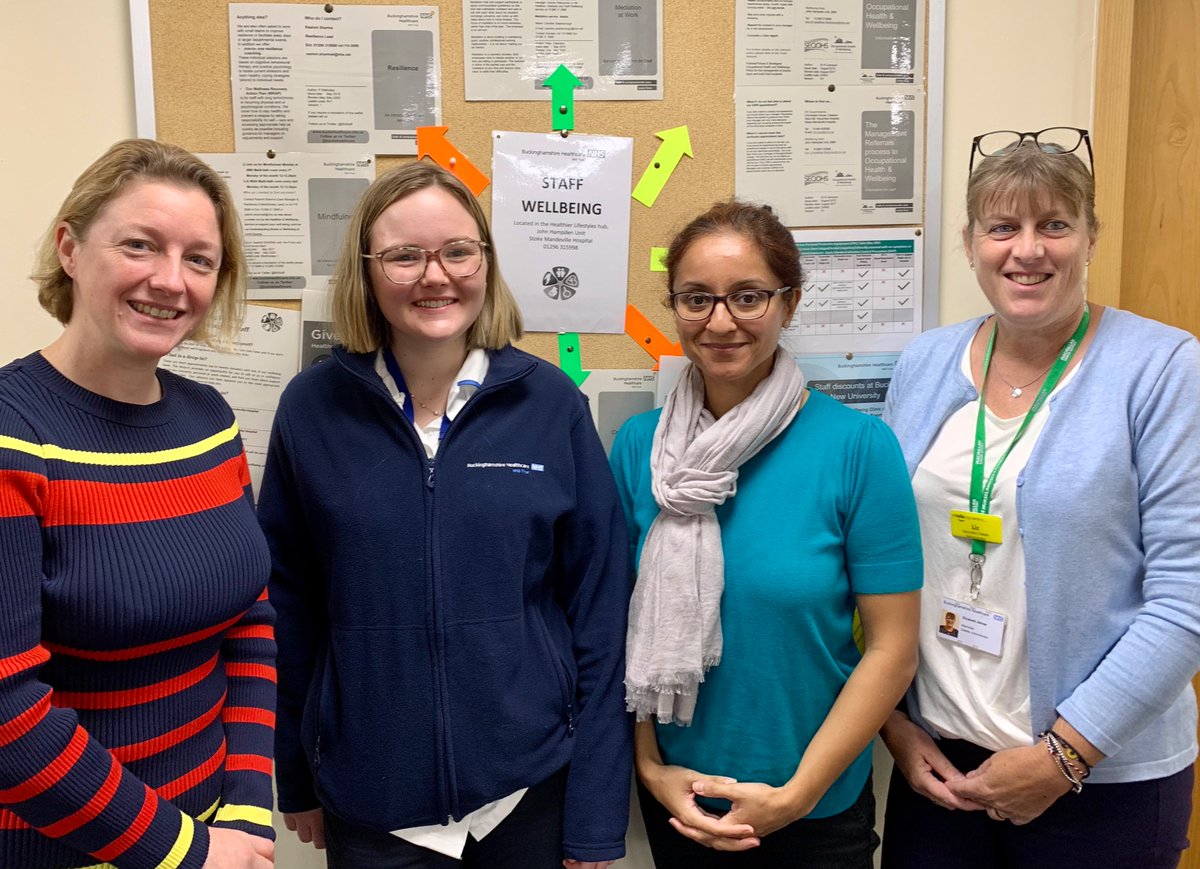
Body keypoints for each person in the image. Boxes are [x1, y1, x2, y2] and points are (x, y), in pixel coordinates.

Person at [257, 162, 632, 869]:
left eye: (458, 251)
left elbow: (601, 614)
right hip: (371, 810)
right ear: (367, 272)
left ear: (484, 262)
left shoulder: (551, 406)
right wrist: (295, 771)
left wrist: (595, 812)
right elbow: (289, 606)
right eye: (405, 255)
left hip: (525, 797)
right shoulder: (312, 410)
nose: (436, 275)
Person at [880, 127, 1200, 869]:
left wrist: (1065, 757)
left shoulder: (1162, 368)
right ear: (970, 243)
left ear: (1090, 236)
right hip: (941, 769)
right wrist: (896, 726)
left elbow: (1186, 597)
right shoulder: (927, 361)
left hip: (1101, 779)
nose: (1029, 250)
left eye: (1054, 224)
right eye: (1004, 227)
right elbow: (883, 557)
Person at [609, 200, 923, 868]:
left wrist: (796, 795)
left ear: (791, 301)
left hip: (816, 812)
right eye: (696, 298)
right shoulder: (641, 449)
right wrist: (649, 767)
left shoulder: (858, 448)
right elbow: (621, 630)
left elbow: (893, 649)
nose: (720, 321)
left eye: (748, 296)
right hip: (679, 802)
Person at [0, 139, 276, 869]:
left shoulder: (210, 421)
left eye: (200, 259)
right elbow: (7, 718)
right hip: (61, 851)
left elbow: (250, 618)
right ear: (69, 247)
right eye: (140, 245)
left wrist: (247, 805)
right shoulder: (11, 435)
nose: (170, 280)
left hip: (215, 835)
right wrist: (184, 849)